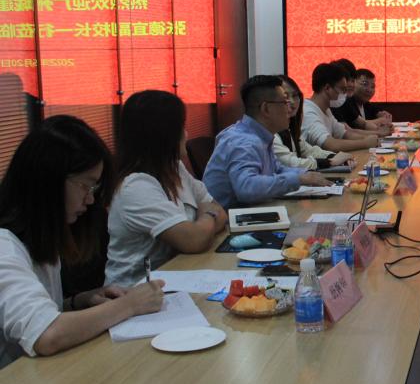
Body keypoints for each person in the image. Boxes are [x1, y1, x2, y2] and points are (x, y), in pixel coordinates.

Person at [0, 116, 165, 369]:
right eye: (85, 186)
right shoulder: (5, 248)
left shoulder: (40, 238)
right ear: (49, 181)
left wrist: (78, 302)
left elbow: (33, 315)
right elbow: (46, 335)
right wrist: (130, 305)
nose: (89, 200)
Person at [105, 91, 228, 287]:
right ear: (165, 135)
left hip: (179, 276)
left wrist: (205, 222)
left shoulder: (175, 168)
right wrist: (208, 215)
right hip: (135, 293)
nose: (186, 134)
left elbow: (220, 212)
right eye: (181, 127)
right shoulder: (136, 187)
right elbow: (194, 240)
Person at [204, 75, 332, 208]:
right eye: (284, 103)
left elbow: (277, 169)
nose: (289, 109)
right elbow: (246, 187)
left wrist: (304, 175)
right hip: (229, 218)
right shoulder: (244, 141)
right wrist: (297, 179)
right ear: (266, 108)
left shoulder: (260, 135)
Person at [274, 76, 353, 171]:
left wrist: (335, 156)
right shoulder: (271, 132)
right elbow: (291, 163)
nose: (291, 101)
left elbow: (309, 150)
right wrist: (330, 161)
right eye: (285, 97)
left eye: (295, 95)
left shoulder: (288, 129)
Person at [302, 62, 380, 152]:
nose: (345, 94)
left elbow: (345, 134)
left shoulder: (326, 110)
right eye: (342, 89)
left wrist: (372, 138)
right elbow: (330, 145)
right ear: (327, 88)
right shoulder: (308, 112)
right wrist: (365, 143)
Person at [335, 68, 392, 135]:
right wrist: (380, 128)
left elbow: (384, 116)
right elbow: (359, 125)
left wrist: (384, 126)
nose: (369, 90)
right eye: (365, 84)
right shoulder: (345, 102)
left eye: (372, 86)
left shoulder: (366, 104)